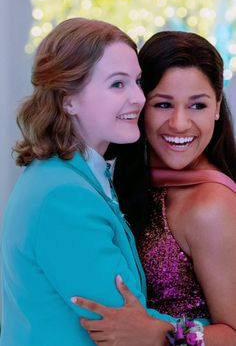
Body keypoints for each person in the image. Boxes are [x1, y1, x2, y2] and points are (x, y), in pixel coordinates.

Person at [0, 18, 179, 346]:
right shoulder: (63, 197)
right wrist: (211, 333)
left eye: (137, 81)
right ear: (68, 99)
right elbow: (126, 320)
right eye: (117, 84)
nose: (139, 98)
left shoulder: (67, 175)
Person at [72, 31, 236, 345]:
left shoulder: (211, 204)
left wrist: (161, 334)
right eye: (162, 104)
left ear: (217, 106)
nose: (179, 123)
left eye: (197, 106)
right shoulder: (135, 180)